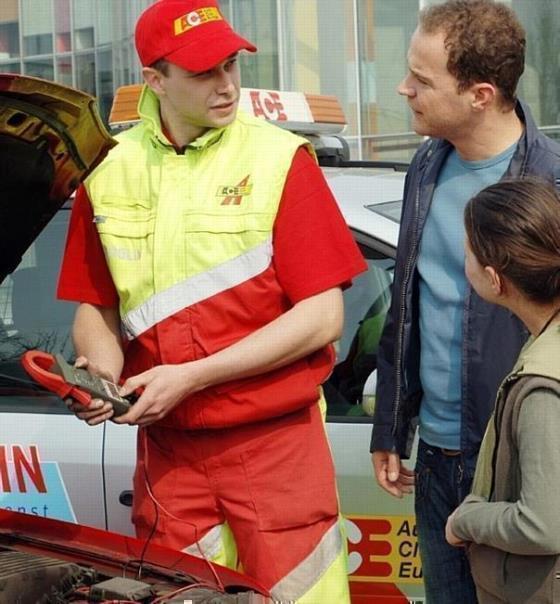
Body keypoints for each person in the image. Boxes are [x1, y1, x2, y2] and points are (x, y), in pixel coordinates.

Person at [57, 1, 366, 601]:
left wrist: (192, 377)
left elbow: (323, 316)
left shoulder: (279, 160)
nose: (226, 86)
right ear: (155, 80)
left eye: (230, 65)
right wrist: (102, 371)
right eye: (204, 73)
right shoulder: (107, 170)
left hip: (276, 446)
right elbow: (96, 307)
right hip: (170, 454)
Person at [369, 1, 560, 602]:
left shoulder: (551, 185)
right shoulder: (425, 166)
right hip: (435, 458)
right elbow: (407, 303)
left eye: (422, 81)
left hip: (515, 467)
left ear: (480, 94)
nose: (404, 90)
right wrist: (390, 425)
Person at [445, 178, 560, 604]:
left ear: (495, 280)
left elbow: (542, 524)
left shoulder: (542, 384)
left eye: (469, 253)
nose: (464, 262)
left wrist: (468, 520)